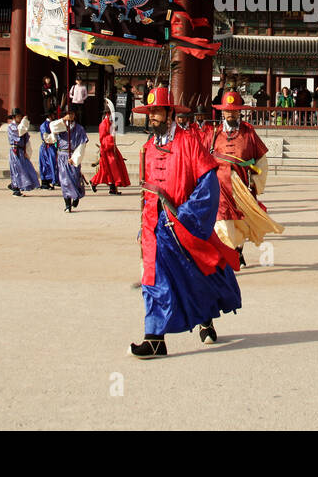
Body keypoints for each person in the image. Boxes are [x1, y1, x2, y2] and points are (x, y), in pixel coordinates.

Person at [131, 86, 242, 358]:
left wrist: (187, 217)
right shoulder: (147, 147)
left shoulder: (188, 142)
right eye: (150, 112)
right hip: (154, 228)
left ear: (170, 113)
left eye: (157, 111)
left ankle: (204, 317)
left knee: (194, 276)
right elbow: (147, 194)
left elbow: (208, 184)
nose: (152, 117)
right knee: (154, 279)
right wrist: (142, 225)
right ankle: (154, 337)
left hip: (181, 226)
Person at [210, 91, 278, 265]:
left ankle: (238, 250)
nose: (230, 114)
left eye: (234, 110)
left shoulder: (249, 133)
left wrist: (255, 182)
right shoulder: (214, 135)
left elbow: (262, 161)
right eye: (227, 111)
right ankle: (228, 254)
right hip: (220, 186)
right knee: (222, 220)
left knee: (241, 222)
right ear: (222, 112)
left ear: (240, 112)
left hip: (243, 185)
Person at [52, 108, 88, 212]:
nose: (71, 116)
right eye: (68, 114)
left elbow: (82, 144)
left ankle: (76, 197)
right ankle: (67, 204)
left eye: (72, 114)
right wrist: (63, 119)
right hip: (62, 155)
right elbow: (52, 127)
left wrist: (75, 158)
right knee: (64, 181)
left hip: (73, 155)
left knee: (74, 178)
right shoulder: (60, 126)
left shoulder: (79, 129)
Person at [91, 110, 130, 195]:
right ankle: (95, 182)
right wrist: (111, 138)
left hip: (111, 148)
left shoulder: (110, 124)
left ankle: (111, 188)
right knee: (110, 169)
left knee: (114, 168)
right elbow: (102, 139)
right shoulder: (103, 125)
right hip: (106, 150)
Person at [6, 109, 39, 197]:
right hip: (15, 151)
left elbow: (25, 137)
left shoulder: (20, 126)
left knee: (25, 169)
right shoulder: (11, 127)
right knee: (17, 169)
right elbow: (19, 133)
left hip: (21, 151)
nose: (20, 118)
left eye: (21, 116)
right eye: (18, 116)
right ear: (14, 117)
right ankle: (16, 189)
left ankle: (14, 185)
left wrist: (27, 151)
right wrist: (24, 121)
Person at [38, 114, 59, 191]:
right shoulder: (44, 125)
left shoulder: (53, 123)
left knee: (53, 164)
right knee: (46, 165)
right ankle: (45, 182)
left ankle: (52, 180)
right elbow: (46, 137)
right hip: (46, 147)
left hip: (52, 146)